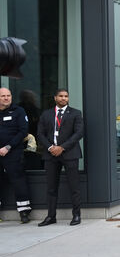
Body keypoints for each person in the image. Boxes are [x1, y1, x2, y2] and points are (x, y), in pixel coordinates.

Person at [36, 88, 84, 226]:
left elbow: (78, 133)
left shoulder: (75, 113)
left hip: (69, 153)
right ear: (55, 98)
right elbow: (40, 134)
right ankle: (51, 216)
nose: (64, 98)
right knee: (51, 187)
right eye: (61, 96)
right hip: (50, 154)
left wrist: (62, 147)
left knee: (74, 186)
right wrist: (51, 148)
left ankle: (76, 215)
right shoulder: (46, 114)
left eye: (66, 96)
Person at [0, 87, 32, 223]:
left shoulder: (18, 111)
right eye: (3, 96)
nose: (6, 98)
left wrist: (8, 147)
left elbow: (23, 131)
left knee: (18, 181)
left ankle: (24, 212)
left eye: (8, 95)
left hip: (13, 152)